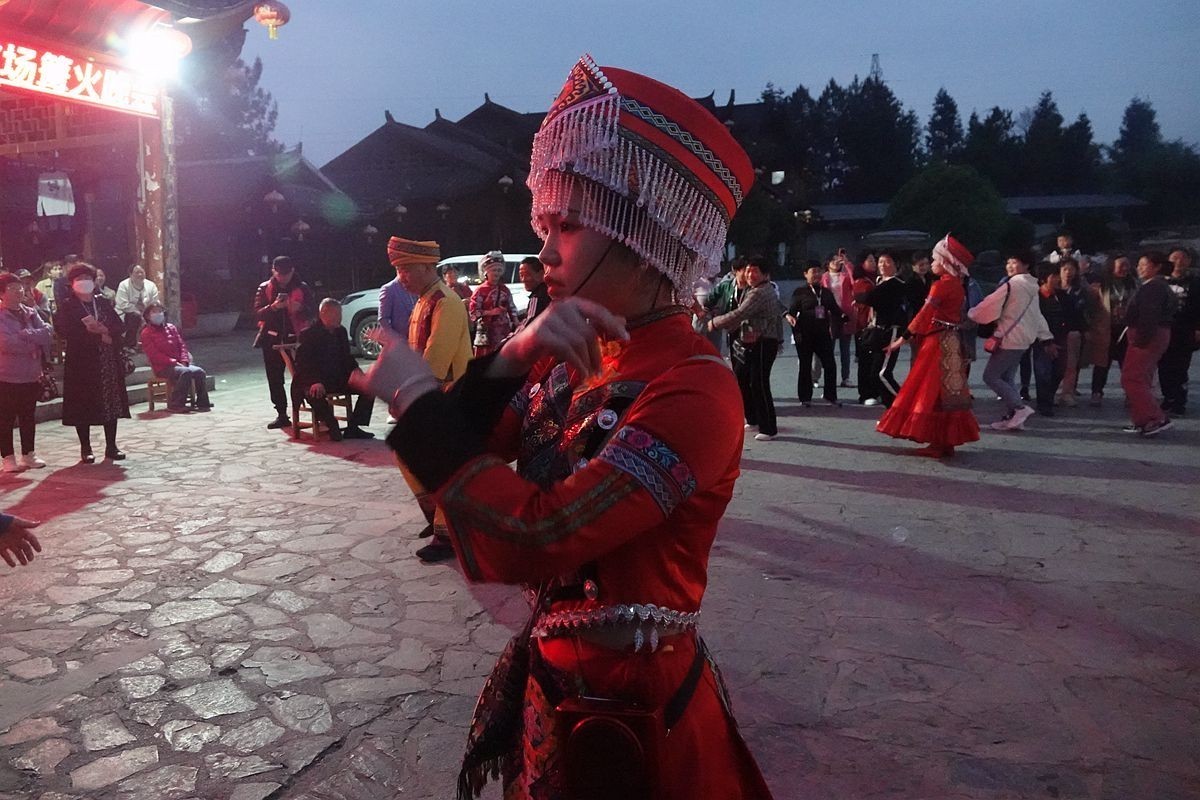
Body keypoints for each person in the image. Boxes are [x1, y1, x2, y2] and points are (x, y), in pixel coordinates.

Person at [353, 56, 771, 800]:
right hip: (558, 688)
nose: (542, 253)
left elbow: (536, 537)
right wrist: (513, 356)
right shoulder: (574, 355)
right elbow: (454, 470)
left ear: (641, 235)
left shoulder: (696, 387)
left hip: (636, 713)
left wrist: (420, 398)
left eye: (567, 226)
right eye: (544, 225)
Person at [385, 236, 472, 562]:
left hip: (445, 396)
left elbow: (434, 361)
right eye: (398, 270)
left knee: (438, 464)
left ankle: (447, 534)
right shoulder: (424, 300)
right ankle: (434, 516)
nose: (401, 276)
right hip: (428, 394)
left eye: (406, 269)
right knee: (408, 453)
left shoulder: (446, 303)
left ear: (426, 266)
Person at [876, 235, 980, 457]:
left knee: (929, 390)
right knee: (950, 391)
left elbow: (924, 315)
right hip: (951, 340)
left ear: (945, 262)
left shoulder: (940, 286)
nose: (932, 264)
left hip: (936, 341)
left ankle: (937, 439)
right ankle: (947, 440)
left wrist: (903, 338)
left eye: (934, 260)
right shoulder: (958, 285)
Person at [970, 251, 1055, 431]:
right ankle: (1013, 418)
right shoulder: (1032, 287)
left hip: (1009, 338)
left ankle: (1019, 408)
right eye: (1008, 261)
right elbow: (1037, 315)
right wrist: (1045, 336)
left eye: (1014, 262)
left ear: (1026, 265)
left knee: (991, 376)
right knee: (1007, 377)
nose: (1009, 266)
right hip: (1023, 340)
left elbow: (989, 304)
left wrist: (972, 314)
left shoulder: (1012, 285)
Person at [58, 263, 130, 462]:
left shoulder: (103, 302)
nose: (84, 282)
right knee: (83, 404)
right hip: (82, 363)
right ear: (72, 284)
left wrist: (107, 332)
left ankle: (111, 445)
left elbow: (119, 325)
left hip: (107, 360)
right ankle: (86, 448)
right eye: (79, 279)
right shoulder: (68, 306)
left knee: (111, 402)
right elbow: (66, 331)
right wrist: (97, 337)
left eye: (87, 278)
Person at [707, 256, 783, 440]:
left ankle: (768, 428)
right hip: (754, 340)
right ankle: (754, 418)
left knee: (760, 383)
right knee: (748, 380)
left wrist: (715, 323)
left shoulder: (760, 292)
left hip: (764, 341)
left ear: (765, 274)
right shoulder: (754, 289)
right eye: (748, 270)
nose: (750, 274)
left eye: (755, 271)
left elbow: (741, 313)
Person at [293, 298, 374, 441]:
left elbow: (347, 357)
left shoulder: (340, 332)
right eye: (336, 314)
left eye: (340, 314)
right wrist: (315, 381)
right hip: (314, 380)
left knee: (370, 387)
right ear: (324, 313)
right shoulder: (309, 333)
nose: (340, 318)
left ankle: (353, 427)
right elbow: (302, 363)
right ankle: (331, 424)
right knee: (314, 393)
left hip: (337, 377)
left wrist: (356, 371)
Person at [253, 256, 315, 429]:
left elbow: (313, 312)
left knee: (303, 375)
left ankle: (315, 409)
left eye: (286, 274)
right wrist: (273, 307)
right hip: (271, 340)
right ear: (273, 271)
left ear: (292, 271)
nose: (282, 278)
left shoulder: (302, 288)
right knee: (274, 378)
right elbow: (257, 313)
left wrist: (300, 308)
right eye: (279, 274)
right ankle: (281, 413)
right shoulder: (264, 288)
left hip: (298, 339)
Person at [0, 272, 52, 472]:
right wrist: (32, 342)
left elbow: (47, 333)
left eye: (20, 288)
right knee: (5, 418)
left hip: (31, 375)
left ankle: (28, 454)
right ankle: (7, 457)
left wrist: (26, 335)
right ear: (2, 293)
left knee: (28, 416)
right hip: (7, 376)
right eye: (13, 289)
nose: (19, 291)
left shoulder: (30, 312)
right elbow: (6, 343)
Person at [1122, 253, 1176, 436]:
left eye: (1144, 264)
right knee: (1142, 377)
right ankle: (1142, 419)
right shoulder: (1158, 286)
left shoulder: (1153, 287)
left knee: (1132, 378)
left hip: (1147, 335)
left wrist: (1141, 338)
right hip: (1155, 334)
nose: (1139, 268)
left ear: (1157, 266)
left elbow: (1149, 314)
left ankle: (1154, 417)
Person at [787, 264, 844, 407]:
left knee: (830, 364)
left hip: (822, 334)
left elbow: (835, 309)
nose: (817, 274)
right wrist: (791, 321)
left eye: (819, 271)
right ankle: (805, 397)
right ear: (805, 274)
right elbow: (792, 312)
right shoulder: (799, 292)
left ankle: (830, 395)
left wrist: (845, 317)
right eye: (813, 272)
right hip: (805, 334)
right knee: (805, 366)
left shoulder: (826, 292)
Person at [855, 252, 907, 406]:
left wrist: (859, 298)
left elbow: (870, 297)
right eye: (880, 262)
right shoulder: (879, 281)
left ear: (896, 265)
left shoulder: (896, 284)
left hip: (891, 331)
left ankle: (903, 404)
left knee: (882, 373)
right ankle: (890, 408)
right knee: (873, 372)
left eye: (887, 262)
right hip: (877, 330)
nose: (883, 265)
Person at [139, 302, 211, 413]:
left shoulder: (171, 328)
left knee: (199, 372)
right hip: (163, 367)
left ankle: (202, 402)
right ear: (148, 316)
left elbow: (182, 345)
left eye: (160, 311)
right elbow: (154, 354)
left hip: (179, 363)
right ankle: (176, 404)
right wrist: (172, 362)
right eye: (154, 312)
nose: (158, 314)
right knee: (185, 372)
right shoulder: (146, 333)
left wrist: (184, 360)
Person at [1088, 254, 1137, 405]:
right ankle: (1097, 392)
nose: (1125, 268)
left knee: (1127, 364)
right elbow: (1091, 309)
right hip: (1105, 329)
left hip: (1126, 329)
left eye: (1127, 265)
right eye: (1121, 265)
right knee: (1102, 363)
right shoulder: (1100, 285)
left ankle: (1130, 393)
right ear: (1111, 266)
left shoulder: (1133, 284)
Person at [1158, 247, 1199, 415]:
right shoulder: (1161, 281)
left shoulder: (1196, 282)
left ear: (1189, 261)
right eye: (1175, 258)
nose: (1179, 262)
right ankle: (1168, 398)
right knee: (1163, 366)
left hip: (1185, 330)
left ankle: (1179, 401)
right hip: (1163, 329)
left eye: (1183, 258)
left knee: (1181, 367)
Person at [1032, 263, 1068, 418]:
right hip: (1042, 340)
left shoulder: (1062, 296)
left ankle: (1049, 397)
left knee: (1059, 371)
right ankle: (1044, 403)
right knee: (1043, 372)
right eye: (1054, 276)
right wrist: (1046, 341)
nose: (1058, 279)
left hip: (1061, 337)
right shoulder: (1036, 297)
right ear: (1043, 279)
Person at [469, 251, 519, 357]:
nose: (496, 273)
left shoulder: (505, 289)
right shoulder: (480, 291)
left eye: (499, 270)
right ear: (486, 272)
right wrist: (490, 312)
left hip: (503, 331)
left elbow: (512, 308)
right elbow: (473, 313)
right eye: (493, 270)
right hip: (486, 332)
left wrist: (516, 322)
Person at [1055, 258, 1089, 407]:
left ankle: (1067, 392)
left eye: (1071, 269)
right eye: (1064, 269)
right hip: (1055, 331)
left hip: (1073, 330)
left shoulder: (1080, 290)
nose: (1068, 273)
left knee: (1071, 363)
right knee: (1054, 364)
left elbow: (1083, 310)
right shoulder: (1053, 288)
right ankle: (1053, 391)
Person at [821, 249, 857, 387]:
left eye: (838, 260)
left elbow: (855, 282)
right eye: (833, 260)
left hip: (845, 313)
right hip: (829, 315)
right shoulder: (824, 277)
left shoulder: (845, 275)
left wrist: (847, 263)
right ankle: (829, 378)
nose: (836, 262)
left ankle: (846, 377)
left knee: (845, 348)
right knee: (828, 348)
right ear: (828, 263)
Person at [114, 265, 161, 350]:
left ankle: (156, 344)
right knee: (135, 316)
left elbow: (155, 302)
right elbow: (123, 304)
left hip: (146, 312)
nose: (140, 275)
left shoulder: (151, 285)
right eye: (137, 273)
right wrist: (140, 314)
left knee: (160, 314)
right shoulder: (124, 285)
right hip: (126, 313)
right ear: (130, 274)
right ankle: (130, 345)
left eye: (142, 272)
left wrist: (153, 312)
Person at [519, 256, 551, 322]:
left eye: (527, 275)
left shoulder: (536, 298)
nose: (523, 279)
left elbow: (530, 324)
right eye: (521, 275)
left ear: (541, 274)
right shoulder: (551, 292)